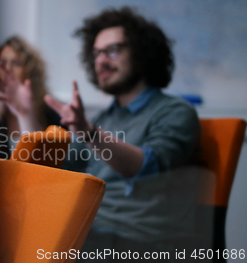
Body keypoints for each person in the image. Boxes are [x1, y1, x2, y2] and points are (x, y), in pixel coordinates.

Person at [44, 7, 201, 260]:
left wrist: (90, 133)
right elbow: (57, 166)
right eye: (96, 54)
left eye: (113, 50)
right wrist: (24, 111)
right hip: (89, 228)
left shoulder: (175, 111)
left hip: (139, 240)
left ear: (142, 52)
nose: (101, 61)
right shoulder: (103, 119)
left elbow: (146, 166)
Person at [0, 36, 61, 159]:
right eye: (3, 63)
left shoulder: (50, 115)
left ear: (29, 70)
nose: (8, 69)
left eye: (15, 63)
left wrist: (26, 114)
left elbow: (44, 162)